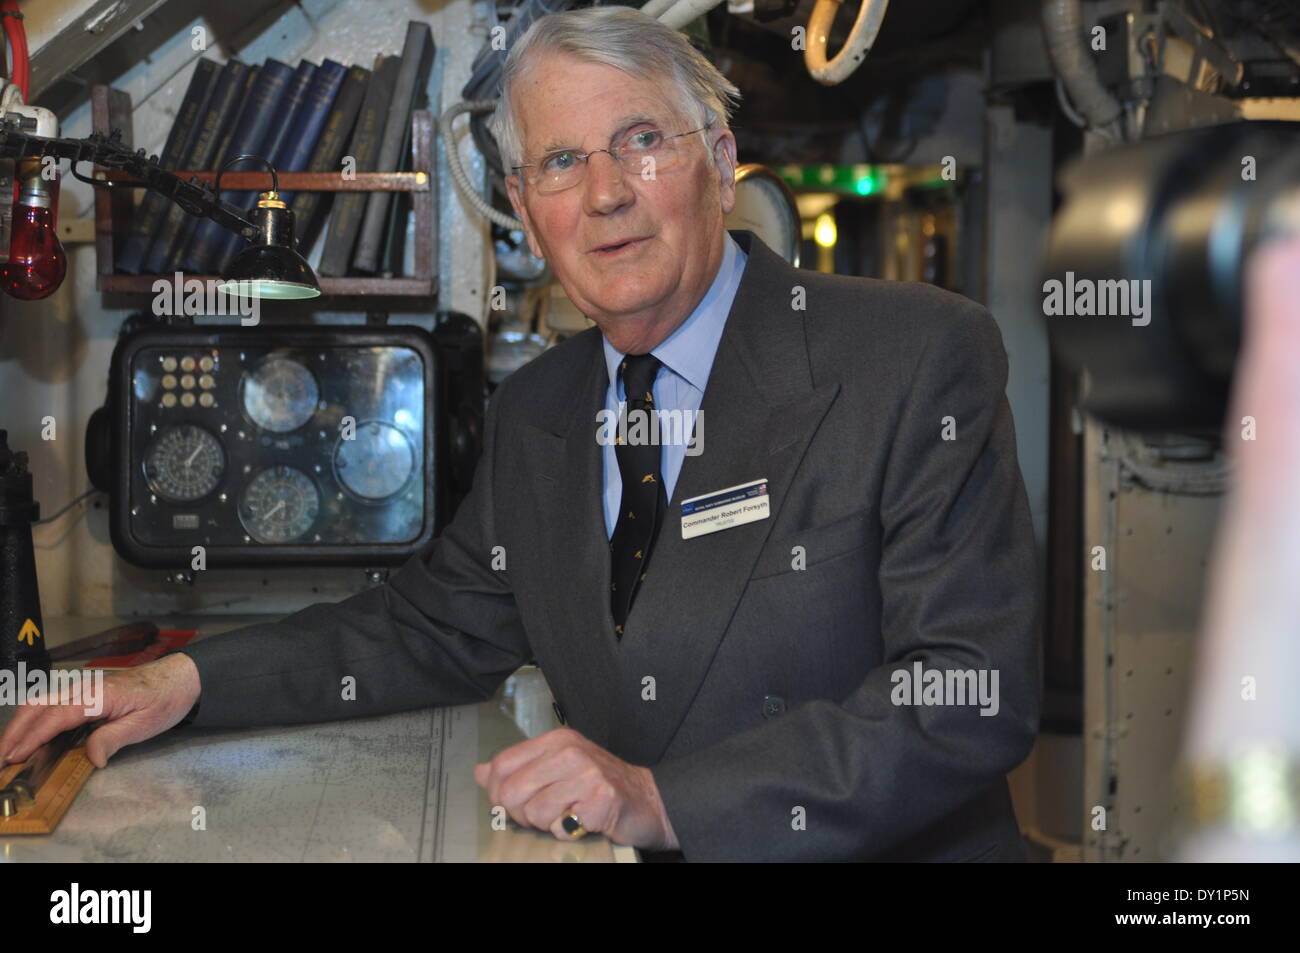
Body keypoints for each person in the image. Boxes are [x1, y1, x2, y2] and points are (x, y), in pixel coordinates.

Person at [0, 7, 1040, 861]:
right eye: (557, 162)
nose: (603, 195)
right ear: (521, 209)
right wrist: (178, 679)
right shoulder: (541, 409)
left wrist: (662, 800)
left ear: (719, 162)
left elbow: (964, 695)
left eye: (641, 140)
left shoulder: (908, 355)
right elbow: (428, 627)